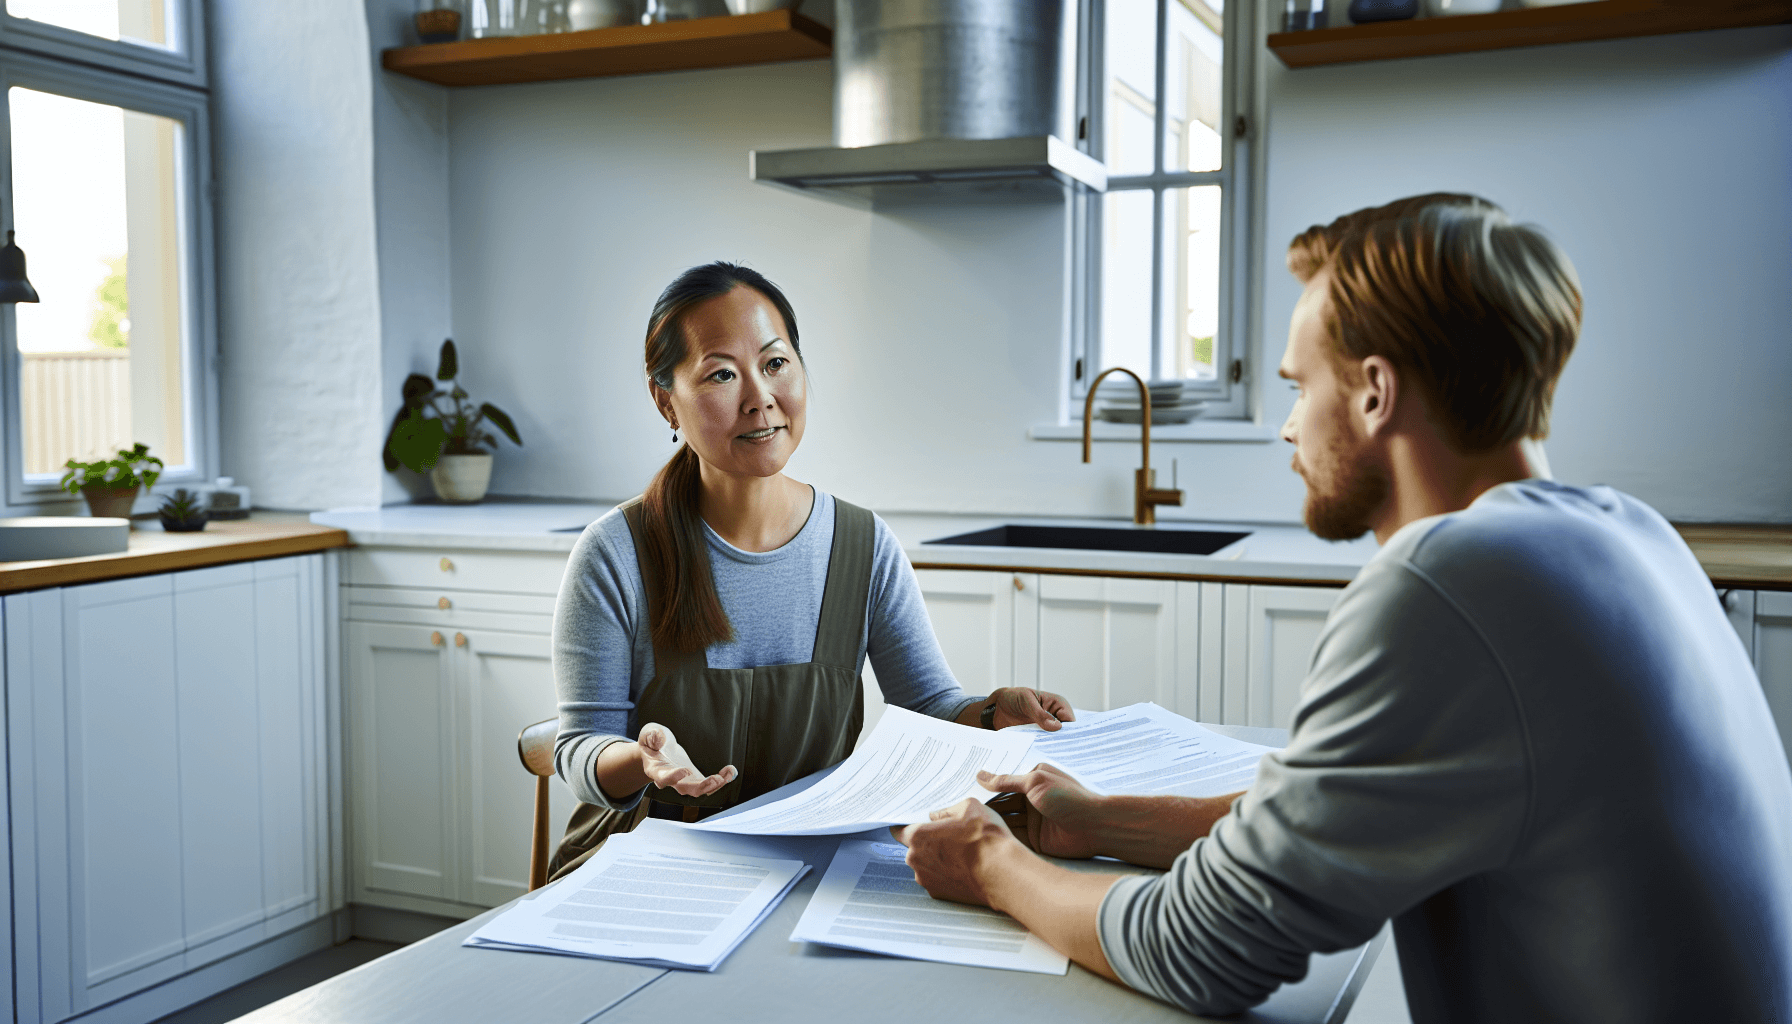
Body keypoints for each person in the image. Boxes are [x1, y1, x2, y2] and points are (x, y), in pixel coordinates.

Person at [897, 194, 1792, 1022]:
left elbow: (1200, 950)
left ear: (1373, 391)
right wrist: (1096, 820)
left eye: (1297, 386)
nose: (1288, 426)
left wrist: (992, 864)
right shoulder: (1622, 534)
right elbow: (1318, 816)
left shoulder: (1449, 582)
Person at [549, 261, 1073, 878]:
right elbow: (579, 747)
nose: (760, 398)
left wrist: (990, 712)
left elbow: (930, 703)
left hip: (804, 865)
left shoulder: (863, 545)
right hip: (645, 868)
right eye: (721, 374)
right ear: (666, 401)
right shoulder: (617, 553)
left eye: (776, 364)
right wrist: (640, 759)